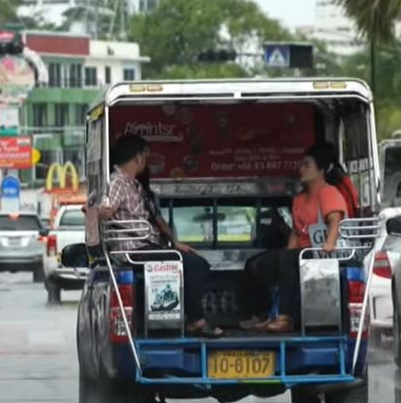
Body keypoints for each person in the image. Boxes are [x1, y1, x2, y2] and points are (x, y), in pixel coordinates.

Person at [99, 134, 221, 338]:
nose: (145, 163)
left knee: (192, 260)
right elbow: (109, 206)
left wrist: (174, 243)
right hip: (135, 249)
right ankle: (196, 321)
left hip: (146, 246)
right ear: (137, 158)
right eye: (144, 158)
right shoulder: (119, 182)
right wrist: (104, 209)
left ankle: (192, 318)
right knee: (196, 265)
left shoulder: (134, 184)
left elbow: (156, 219)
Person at [242, 143, 348, 333]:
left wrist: (329, 244)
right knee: (256, 264)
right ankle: (263, 314)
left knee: (287, 260)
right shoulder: (299, 199)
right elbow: (296, 233)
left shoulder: (328, 192)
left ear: (321, 169)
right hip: (301, 253)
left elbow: (335, 220)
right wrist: (285, 256)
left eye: (307, 165)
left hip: (322, 253)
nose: (301, 169)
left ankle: (285, 318)